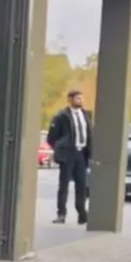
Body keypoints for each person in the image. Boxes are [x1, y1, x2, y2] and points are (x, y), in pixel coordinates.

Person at [46, 89, 93, 224]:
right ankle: (61, 213)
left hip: (81, 153)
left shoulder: (86, 115)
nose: (81, 101)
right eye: (78, 99)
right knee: (64, 185)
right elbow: (52, 137)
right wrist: (61, 147)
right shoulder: (62, 116)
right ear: (70, 100)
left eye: (81, 98)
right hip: (68, 154)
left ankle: (82, 213)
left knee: (82, 185)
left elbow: (90, 134)